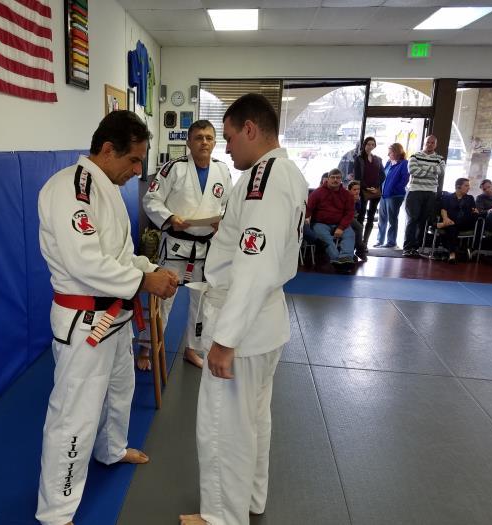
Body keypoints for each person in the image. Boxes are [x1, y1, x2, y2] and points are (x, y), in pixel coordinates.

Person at [35, 111, 179, 525]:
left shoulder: (108, 187)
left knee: (120, 390)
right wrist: (144, 281)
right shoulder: (71, 189)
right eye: (133, 160)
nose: (137, 171)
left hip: (115, 316)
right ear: (108, 149)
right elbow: (85, 263)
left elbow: (118, 255)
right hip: (85, 321)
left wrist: (149, 268)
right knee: (74, 416)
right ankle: (57, 511)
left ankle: (111, 450)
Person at [179, 94, 307, 525]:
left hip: (244, 328)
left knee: (223, 427)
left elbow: (254, 266)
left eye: (230, 137)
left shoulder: (264, 180)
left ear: (250, 129)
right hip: (264, 324)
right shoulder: (285, 173)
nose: (226, 147)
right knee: (253, 419)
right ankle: (250, 499)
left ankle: (221, 517)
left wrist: (225, 340)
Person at [142, 120, 232, 369]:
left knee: (202, 302)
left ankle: (192, 349)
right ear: (189, 142)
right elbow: (151, 199)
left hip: (206, 247)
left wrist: (222, 222)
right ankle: (147, 347)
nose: (204, 142)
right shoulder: (174, 168)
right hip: (176, 245)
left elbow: (228, 204)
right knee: (163, 297)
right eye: (199, 137)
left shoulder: (222, 170)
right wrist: (170, 218)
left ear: (215, 142)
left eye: (209, 138)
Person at [306, 168, 356, 272]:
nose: (335, 180)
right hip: (320, 223)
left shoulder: (347, 195)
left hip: (340, 223)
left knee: (350, 234)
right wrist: (305, 219)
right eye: (333, 177)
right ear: (328, 179)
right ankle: (337, 260)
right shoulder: (317, 193)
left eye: (338, 178)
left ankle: (346, 258)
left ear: (341, 179)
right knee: (324, 237)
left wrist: (341, 227)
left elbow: (350, 213)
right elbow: (308, 209)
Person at [403, 135, 444, 257]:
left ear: (436, 144)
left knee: (423, 221)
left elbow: (441, 171)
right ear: (424, 143)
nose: (429, 144)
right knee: (412, 219)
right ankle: (407, 248)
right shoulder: (415, 156)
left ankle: (416, 248)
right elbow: (412, 170)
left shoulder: (440, 158)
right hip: (415, 191)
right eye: (427, 142)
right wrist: (432, 170)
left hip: (431, 192)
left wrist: (422, 169)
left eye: (432, 143)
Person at [353, 136, 386, 253]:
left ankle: (365, 243)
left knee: (371, 217)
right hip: (363, 190)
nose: (370, 146)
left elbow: (383, 175)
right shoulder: (359, 159)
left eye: (373, 144)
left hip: (375, 191)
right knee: (361, 216)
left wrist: (376, 187)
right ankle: (358, 243)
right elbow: (357, 177)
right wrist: (366, 187)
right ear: (364, 145)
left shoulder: (378, 159)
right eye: (368, 144)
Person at [436, 177, 478, 264]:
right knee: (452, 228)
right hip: (452, 223)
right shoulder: (448, 197)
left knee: (454, 223)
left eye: (468, 186)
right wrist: (446, 219)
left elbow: (474, 211)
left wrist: (446, 222)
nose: (468, 188)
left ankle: (440, 225)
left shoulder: (470, 198)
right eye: (466, 186)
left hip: (465, 223)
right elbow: (443, 209)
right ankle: (452, 255)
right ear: (458, 186)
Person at [375, 143, 409, 248]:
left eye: (390, 152)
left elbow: (404, 179)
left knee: (392, 219)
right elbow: (383, 177)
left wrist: (394, 190)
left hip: (395, 196)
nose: (388, 154)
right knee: (382, 219)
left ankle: (391, 242)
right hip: (384, 195)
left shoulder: (404, 163)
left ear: (397, 152)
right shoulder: (389, 162)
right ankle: (379, 240)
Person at [347, 180, 366, 261]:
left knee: (355, 231)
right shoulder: (347, 197)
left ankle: (353, 252)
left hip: (353, 218)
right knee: (360, 227)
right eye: (354, 189)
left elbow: (359, 211)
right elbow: (348, 212)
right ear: (349, 190)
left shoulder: (358, 198)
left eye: (358, 189)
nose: (357, 191)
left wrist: (357, 201)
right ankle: (360, 250)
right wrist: (353, 201)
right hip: (346, 217)